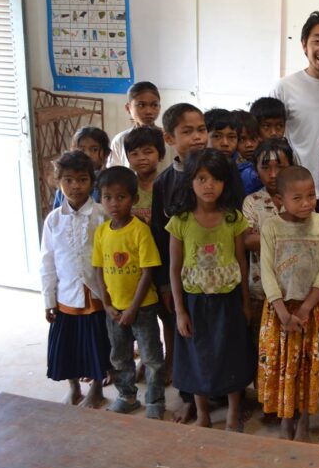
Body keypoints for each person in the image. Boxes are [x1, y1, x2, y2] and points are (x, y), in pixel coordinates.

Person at [166, 148, 252, 431]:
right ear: (190, 181)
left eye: (215, 179)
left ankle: (233, 412)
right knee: (196, 357)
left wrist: (245, 303)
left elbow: (242, 261)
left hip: (228, 301)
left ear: (225, 182)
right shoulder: (180, 221)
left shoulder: (233, 218)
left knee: (232, 355)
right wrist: (180, 311)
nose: (208, 185)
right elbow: (174, 269)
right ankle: (202, 412)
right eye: (201, 178)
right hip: (194, 302)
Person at [258, 166, 319, 441]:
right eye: (298, 198)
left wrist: (305, 308)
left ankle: (304, 419)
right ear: (280, 200)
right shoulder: (271, 227)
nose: (306, 203)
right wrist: (282, 312)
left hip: (309, 311)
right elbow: (267, 271)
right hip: (279, 313)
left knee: (305, 367)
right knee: (281, 366)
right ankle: (285, 419)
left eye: (311, 196)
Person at [151, 103, 208, 423]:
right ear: (169, 138)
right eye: (188, 132)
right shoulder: (164, 184)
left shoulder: (220, 171)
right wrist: (164, 284)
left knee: (217, 335)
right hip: (181, 278)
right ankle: (188, 396)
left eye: (201, 129)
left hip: (218, 274)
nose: (198, 137)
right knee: (186, 336)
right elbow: (160, 237)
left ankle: (218, 392)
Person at [93, 166, 166, 419]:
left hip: (142, 308)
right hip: (113, 310)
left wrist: (133, 308)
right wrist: (107, 304)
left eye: (121, 197)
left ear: (134, 199)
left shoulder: (140, 231)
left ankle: (155, 400)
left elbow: (148, 273)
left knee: (152, 358)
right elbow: (99, 270)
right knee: (120, 358)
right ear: (100, 199)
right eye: (107, 197)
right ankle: (127, 396)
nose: (114, 203)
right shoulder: (102, 232)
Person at [40, 151, 110, 408]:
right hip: (66, 296)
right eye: (68, 180)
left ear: (92, 182)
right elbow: (47, 261)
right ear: (58, 182)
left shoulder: (103, 215)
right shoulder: (54, 220)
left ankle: (97, 389)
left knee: (97, 344)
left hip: (97, 293)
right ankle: (74, 388)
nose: (75, 186)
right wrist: (49, 298)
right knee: (66, 346)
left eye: (82, 179)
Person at [270, 11, 319, 192]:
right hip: (295, 187)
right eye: (317, 41)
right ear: (304, 44)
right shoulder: (284, 87)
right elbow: (268, 138)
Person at [242, 138, 294, 375]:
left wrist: (265, 238)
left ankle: (288, 401)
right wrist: (288, 237)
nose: (273, 174)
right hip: (260, 289)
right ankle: (266, 402)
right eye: (265, 167)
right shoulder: (252, 202)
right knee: (261, 348)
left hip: (294, 290)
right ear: (256, 170)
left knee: (290, 350)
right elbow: (248, 241)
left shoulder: (300, 199)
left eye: (280, 167)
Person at [107, 81, 164, 168]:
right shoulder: (120, 140)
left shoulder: (168, 139)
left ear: (159, 107)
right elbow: (115, 174)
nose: (149, 111)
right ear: (128, 108)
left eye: (154, 105)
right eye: (141, 105)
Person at [52, 125, 110, 209]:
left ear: (106, 154)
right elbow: (58, 214)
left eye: (94, 149)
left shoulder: (109, 181)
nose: (87, 154)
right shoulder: (64, 183)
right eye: (81, 149)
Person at [123, 125, 166, 225]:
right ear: (128, 158)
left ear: (161, 155)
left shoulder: (167, 185)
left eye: (148, 152)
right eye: (134, 154)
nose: (141, 158)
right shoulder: (125, 187)